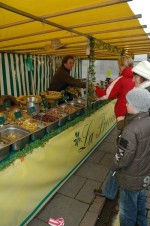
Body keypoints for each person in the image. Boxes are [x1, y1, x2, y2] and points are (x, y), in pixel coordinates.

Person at [94, 60, 150, 200]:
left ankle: (110, 192)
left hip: (133, 132)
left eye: (136, 77)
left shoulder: (143, 91)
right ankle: (112, 190)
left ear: (143, 77)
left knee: (120, 162)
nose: (133, 79)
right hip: (139, 135)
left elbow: (107, 95)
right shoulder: (144, 89)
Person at [111, 87, 150, 226]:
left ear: (137, 106)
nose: (126, 104)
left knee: (127, 212)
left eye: (128, 102)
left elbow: (122, 158)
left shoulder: (131, 129)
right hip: (143, 175)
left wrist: (113, 165)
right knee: (140, 208)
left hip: (130, 179)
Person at [95, 56, 134, 133]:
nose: (118, 67)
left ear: (123, 65)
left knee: (123, 137)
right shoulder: (136, 77)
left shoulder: (121, 79)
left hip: (123, 114)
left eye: (119, 65)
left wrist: (95, 89)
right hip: (135, 113)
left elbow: (106, 95)